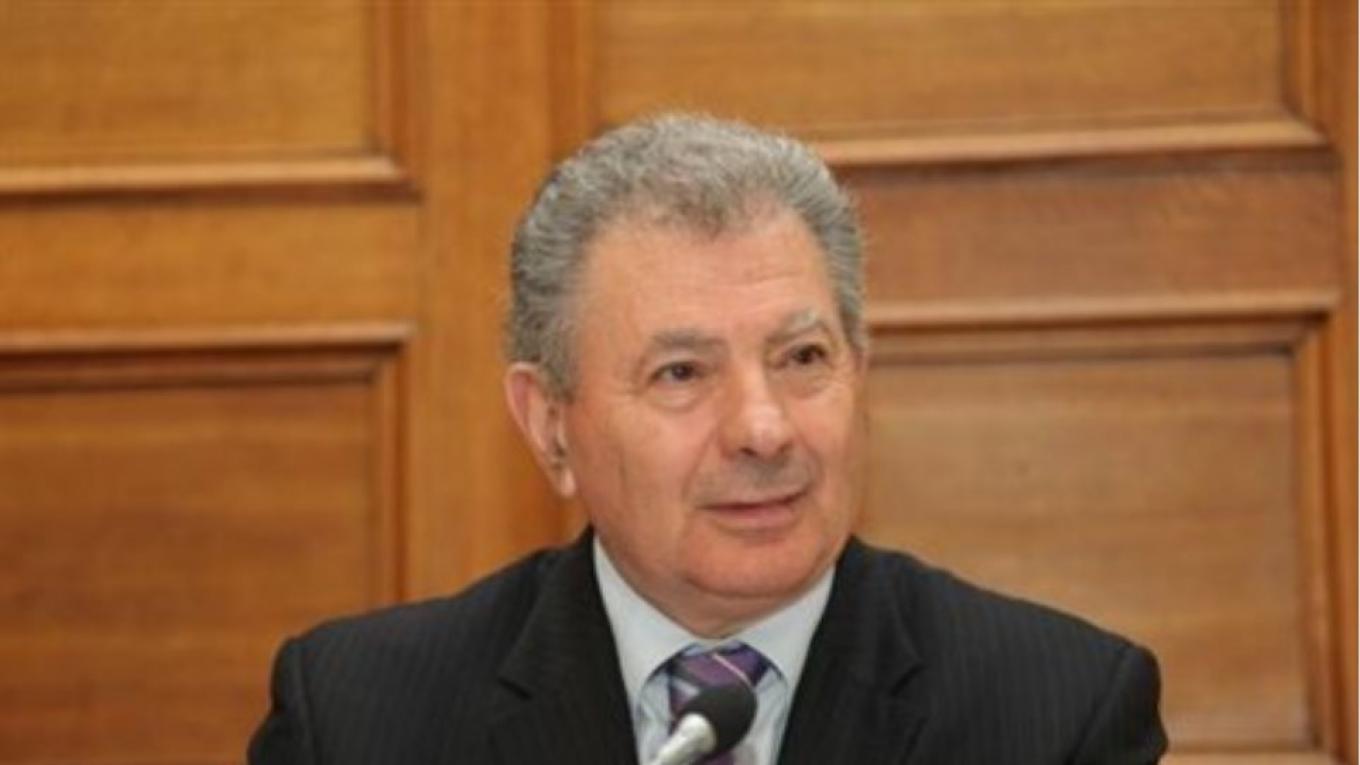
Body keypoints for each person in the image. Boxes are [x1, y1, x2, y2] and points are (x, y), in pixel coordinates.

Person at [248, 114, 1167, 764]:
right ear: (549, 423)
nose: (764, 428)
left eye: (802, 357)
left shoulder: (1056, 714)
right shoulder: (362, 720)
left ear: (859, 370)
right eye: (682, 373)